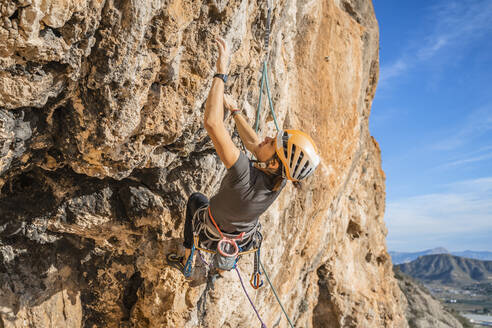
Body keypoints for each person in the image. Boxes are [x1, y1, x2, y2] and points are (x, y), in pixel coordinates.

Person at [168, 37, 320, 277]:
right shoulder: (280, 180)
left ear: (272, 163)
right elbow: (256, 144)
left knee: (196, 199)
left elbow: (212, 123)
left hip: (210, 233)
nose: (268, 137)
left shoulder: (242, 172)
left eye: (274, 144)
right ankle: (222, 264)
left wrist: (221, 72)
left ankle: (188, 258)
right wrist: (236, 112)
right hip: (241, 239)